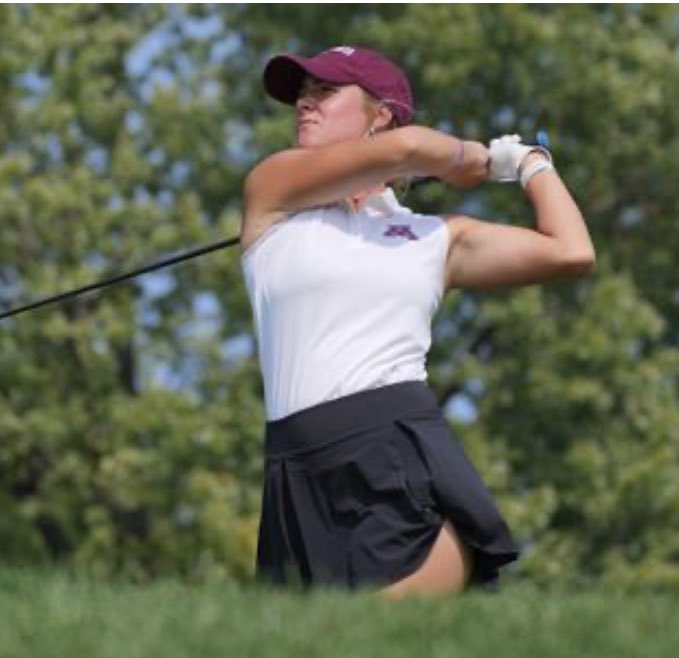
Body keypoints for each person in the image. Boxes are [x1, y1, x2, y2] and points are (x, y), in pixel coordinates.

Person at [241, 45, 595, 598]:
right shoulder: (272, 192)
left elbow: (571, 251)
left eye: (325, 93)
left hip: (391, 445)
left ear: (378, 115)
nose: (305, 105)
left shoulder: (435, 237)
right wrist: (469, 159)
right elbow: (409, 147)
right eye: (301, 94)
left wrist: (530, 164)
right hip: (293, 468)